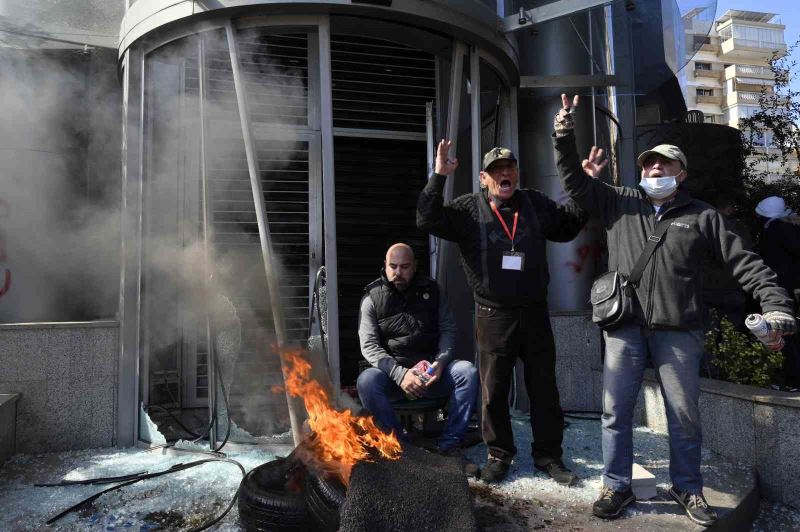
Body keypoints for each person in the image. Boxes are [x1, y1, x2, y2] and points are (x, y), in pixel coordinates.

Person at [552, 94, 796, 526]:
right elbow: (575, 182)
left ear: (680, 174)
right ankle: (616, 486)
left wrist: (776, 305)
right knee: (615, 412)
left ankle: (688, 488)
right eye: (649, 165)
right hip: (624, 326)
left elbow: (746, 262)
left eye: (664, 165)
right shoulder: (619, 201)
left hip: (680, 331)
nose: (655, 170)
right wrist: (563, 136)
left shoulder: (702, 216)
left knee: (684, 415)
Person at [416, 139, 588, 485]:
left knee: (543, 387)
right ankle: (499, 454)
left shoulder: (535, 203)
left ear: (517, 174)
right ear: (483, 178)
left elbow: (568, 226)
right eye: (496, 171)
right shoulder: (467, 210)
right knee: (493, 389)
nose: (504, 173)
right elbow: (427, 218)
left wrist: (584, 186)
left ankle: (549, 456)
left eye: (509, 168)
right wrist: (439, 176)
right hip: (493, 315)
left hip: (535, 311)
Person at [357, 243, 479, 454]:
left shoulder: (433, 291)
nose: (398, 272)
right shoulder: (371, 298)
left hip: (431, 376)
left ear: (414, 266)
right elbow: (369, 345)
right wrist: (400, 375)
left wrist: (440, 363)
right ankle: (400, 446)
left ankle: (450, 443)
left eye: (404, 266)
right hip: (393, 379)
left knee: (467, 372)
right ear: (385, 266)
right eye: (393, 266)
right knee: (367, 381)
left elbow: (448, 330)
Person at [755, 196, 800, 390]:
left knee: (783, 333)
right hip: (786, 289)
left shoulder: (776, 231)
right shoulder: (788, 229)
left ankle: (790, 378)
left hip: (779, 290)